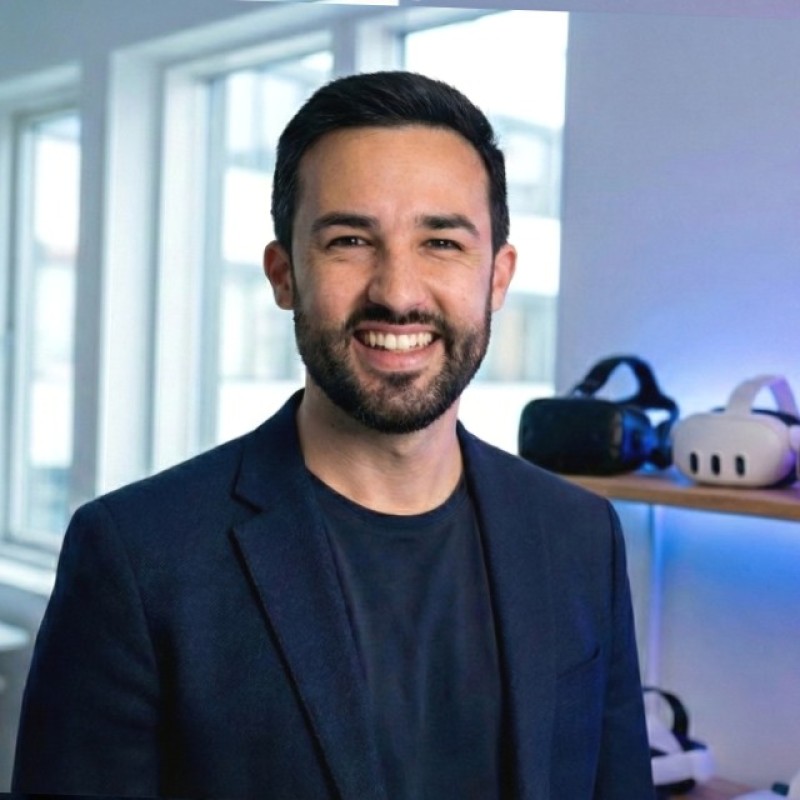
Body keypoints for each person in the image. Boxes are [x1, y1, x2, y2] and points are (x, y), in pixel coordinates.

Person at [12, 71, 654, 799]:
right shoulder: (137, 556)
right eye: (349, 240)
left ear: (498, 277)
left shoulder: (579, 535)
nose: (398, 293)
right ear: (283, 274)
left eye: (442, 242)